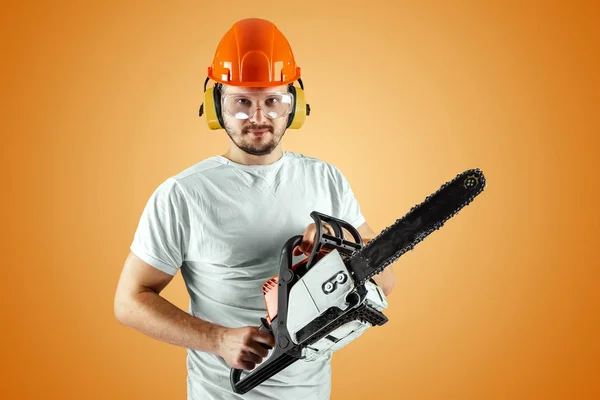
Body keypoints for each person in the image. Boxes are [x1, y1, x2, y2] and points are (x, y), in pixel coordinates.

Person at [114, 18, 397, 400]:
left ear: (294, 105)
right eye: (242, 102)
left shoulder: (326, 178)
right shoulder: (183, 194)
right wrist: (217, 339)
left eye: (273, 101)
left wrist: (338, 248)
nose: (259, 118)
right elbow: (130, 302)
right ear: (216, 106)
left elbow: (386, 279)